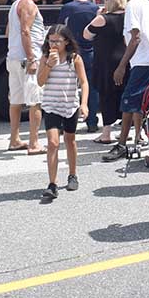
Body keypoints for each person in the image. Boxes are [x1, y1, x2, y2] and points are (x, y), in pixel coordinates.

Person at [102, 0, 149, 162]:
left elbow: (135, 38)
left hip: (142, 60)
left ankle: (121, 145)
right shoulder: (145, 2)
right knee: (138, 103)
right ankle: (137, 138)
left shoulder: (133, 6)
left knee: (127, 102)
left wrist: (121, 65)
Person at [37, 25, 89, 201]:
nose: (53, 44)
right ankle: (52, 184)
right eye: (50, 40)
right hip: (51, 105)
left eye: (57, 41)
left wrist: (84, 104)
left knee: (70, 139)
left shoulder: (74, 58)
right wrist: (49, 65)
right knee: (52, 143)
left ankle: (73, 174)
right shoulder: (45, 57)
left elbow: (83, 82)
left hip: (70, 105)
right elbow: (40, 82)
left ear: (66, 41)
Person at [5, 0, 46, 155]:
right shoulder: (29, 4)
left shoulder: (15, 4)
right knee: (34, 102)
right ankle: (34, 143)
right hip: (26, 59)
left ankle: (14, 140)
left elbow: (9, 32)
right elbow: (25, 31)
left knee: (15, 101)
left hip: (13, 58)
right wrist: (32, 58)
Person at [84, 0, 127, 145]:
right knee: (123, 95)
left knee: (106, 95)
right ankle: (126, 131)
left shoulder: (103, 19)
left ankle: (106, 133)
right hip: (124, 60)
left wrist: (98, 16)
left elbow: (86, 34)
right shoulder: (128, 16)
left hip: (105, 61)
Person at [58, 0, 100, 133]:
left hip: (71, 52)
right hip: (90, 52)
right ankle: (92, 121)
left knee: (67, 86)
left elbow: (60, 29)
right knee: (91, 87)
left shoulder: (68, 8)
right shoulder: (95, 8)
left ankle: (64, 122)